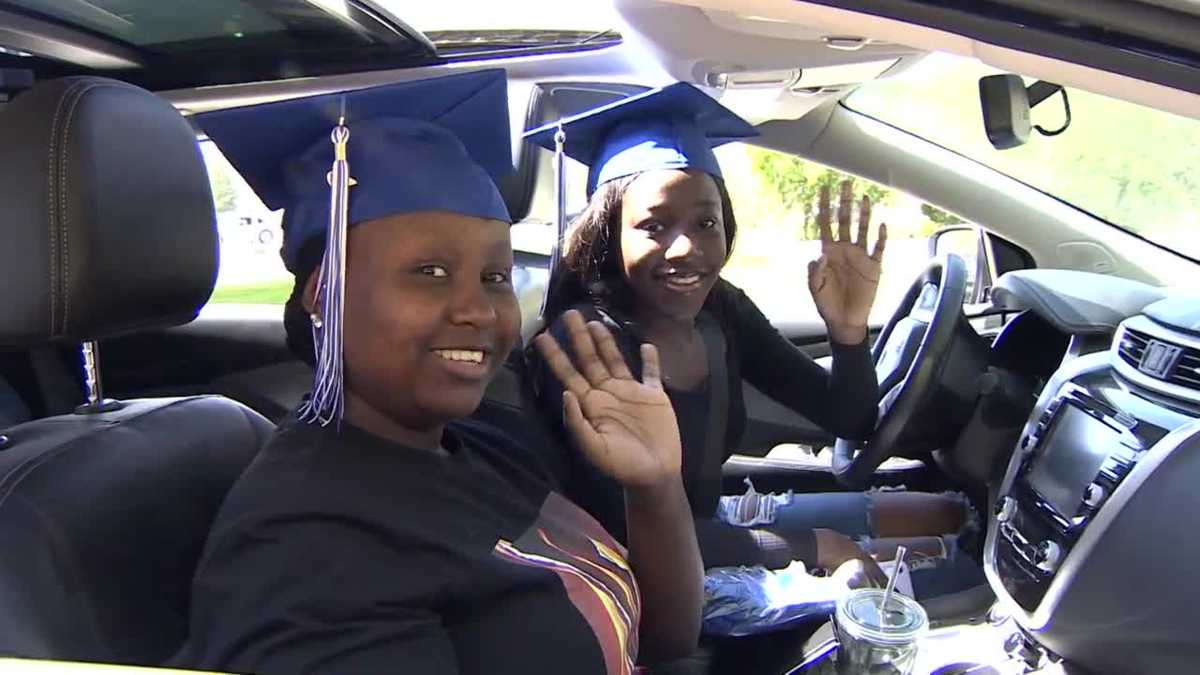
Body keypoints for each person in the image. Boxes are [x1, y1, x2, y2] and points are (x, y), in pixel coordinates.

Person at [172, 70, 703, 674]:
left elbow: (660, 645)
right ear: (324, 293)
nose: (478, 309)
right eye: (429, 271)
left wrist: (656, 488)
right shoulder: (308, 547)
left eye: (495, 277)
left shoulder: (484, 447)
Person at [525, 83, 981, 599]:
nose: (686, 248)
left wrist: (848, 333)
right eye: (653, 225)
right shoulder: (590, 346)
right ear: (610, 233)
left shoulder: (720, 306)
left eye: (706, 222)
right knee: (959, 580)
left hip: (709, 523)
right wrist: (818, 545)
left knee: (948, 513)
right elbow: (627, 535)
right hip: (637, 583)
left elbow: (848, 420)